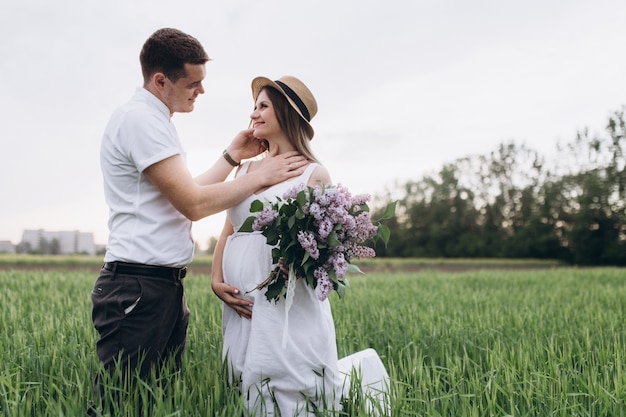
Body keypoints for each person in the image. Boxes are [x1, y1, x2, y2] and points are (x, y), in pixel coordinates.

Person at [89, 29, 308, 413]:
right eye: (193, 83)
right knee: (121, 404)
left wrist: (230, 157)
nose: (201, 92)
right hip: (138, 287)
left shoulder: (155, 120)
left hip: (159, 286)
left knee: (153, 400)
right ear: (160, 81)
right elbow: (193, 204)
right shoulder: (140, 121)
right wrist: (260, 175)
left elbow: (181, 196)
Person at [211, 75, 342, 416]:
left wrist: (296, 262)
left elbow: (327, 246)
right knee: (242, 375)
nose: (253, 114)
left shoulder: (312, 172)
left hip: (285, 296)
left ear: (285, 114)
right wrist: (215, 278)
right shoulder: (245, 171)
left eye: (263, 106)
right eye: (253, 106)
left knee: (288, 377)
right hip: (241, 295)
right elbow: (230, 227)